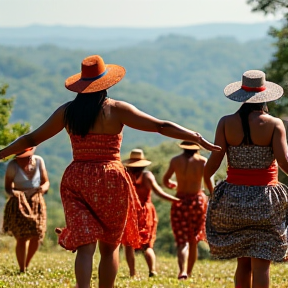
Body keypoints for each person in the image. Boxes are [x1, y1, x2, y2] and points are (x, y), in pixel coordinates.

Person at [0, 54, 220, 288]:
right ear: (107, 83)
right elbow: (160, 126)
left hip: (77, 178)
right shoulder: (116, 109)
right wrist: (196, 137)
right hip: (111, 179)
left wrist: (2, 153)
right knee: (109, 246)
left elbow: (32, 138)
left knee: (85, 246)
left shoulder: (68, 112)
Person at [203, 70, 288, 288]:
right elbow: (285, 163)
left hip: (234, 199)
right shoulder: (275, 124)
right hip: (265, 202)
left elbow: (212, 165)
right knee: (262, 266)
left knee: (243, 264)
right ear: (266, 96)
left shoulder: (226, 122)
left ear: (240, 95)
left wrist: (210, 189)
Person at [122, 148, 180, 278]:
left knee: (128, 245)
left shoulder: (126, 175)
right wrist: (175, 200)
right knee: (147, 245)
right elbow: (159, 193)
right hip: (146, 212)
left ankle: (132, 273)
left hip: (130, 212)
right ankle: (152, 270)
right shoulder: (147, 176)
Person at [162, 141, 208, 279]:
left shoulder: (175, 161)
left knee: (182, 240)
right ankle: (189, 272)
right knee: (193, 240)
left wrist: (172, 185)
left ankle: (182, 271)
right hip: (197, 202)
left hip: (180, 201)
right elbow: (207, 181)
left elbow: (165, 180)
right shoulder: (202, 161)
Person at [2, 147, 50, 273]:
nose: (26, 160)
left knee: (37, 234)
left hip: (36, 202)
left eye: (27, 157)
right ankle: (22, 268)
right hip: (19, 204)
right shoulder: (12, 166)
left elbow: (46, 182)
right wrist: (16, 194)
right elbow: (7, 188)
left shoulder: (39, 161)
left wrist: (42, 190)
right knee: (21, 236)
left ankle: (27, 264)